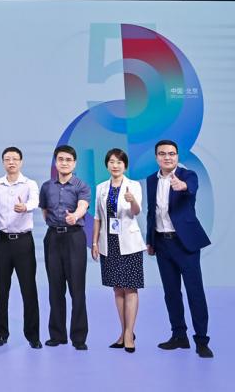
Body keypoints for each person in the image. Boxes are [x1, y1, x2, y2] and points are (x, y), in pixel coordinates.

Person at [146, 139, 213, 358]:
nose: (167, 157)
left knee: (195, 292)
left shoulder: (188, 175)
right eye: (162, 154)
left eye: (171, 154)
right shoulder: (151, 180)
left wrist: (182, 186)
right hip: (162, 243)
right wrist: (150, 240)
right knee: (171, 293)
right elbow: (151, 212)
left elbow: (190, 188)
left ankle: (201, 340)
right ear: (156, 157)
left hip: (185, 243)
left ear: (177, 156)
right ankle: (179, 336)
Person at [39, 144, 91, 350]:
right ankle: (57, 335)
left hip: (74, 238)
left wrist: (74, 216)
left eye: (68, 160)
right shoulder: (46, 186)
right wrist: (56, 224)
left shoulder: (81, 186)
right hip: (53, 238)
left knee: (77, 289)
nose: (64, 163)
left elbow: (83, 206)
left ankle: (79, 338)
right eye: (61, 159)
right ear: (55, 162)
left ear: (74, 163)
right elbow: (44, 211)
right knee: (55, 288)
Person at [0, 146, 41, 349]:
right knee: (1, 290)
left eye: (15, 159)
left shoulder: (29, 184)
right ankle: (1, 334)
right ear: (3, 162)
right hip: (2, 241)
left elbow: (35, 201)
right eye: (7, 159)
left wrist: (25, 207)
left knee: (29, 289)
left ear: (21, 162)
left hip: (23, 242)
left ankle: (33, 336)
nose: (11, 162)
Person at [92, 148, 144, 353]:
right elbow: (98, 217)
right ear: (107, 165)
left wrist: (132, 201)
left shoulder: (134, 185)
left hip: (129, 243)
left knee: (130, 288)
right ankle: (123, 333)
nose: (115, 165)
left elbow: (136, 212)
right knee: (117, 289)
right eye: (112, 162)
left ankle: (130, 334)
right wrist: (94, 243)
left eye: (119, 162)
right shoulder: (101, 188)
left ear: (125, 166)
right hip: (109, 243)